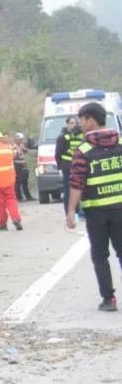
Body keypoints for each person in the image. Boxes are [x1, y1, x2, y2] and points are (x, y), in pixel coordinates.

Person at [66, 101, 122, 311]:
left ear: (90, 120)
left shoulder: (83, 150)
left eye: (81, 120)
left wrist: (71, 211)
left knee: (100, 255)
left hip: (96, 212)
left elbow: (77, 182)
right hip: (121, 209)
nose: (80, 124)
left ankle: (109, 299)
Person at [55, 116, 84, 217]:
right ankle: (69, 213)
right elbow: (58, 154)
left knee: (79, 189)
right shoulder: (63, 137)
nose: (73, 125)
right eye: (71, 123)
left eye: (75, 123)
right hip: (67, 167)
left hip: (79, 166)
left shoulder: (80, 136)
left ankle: (79, 211)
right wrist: (59, 167)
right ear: (67, 124)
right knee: (68, 191)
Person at [13, 132, 35, 201]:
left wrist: (23, 147)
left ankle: (28, 196)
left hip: (23, 165)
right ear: (16, 139)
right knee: (18, 182)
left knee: (25, 181)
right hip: (17, 166)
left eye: (22, 139)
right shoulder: (14, 147)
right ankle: (18, 197)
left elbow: (26, 151)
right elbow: (15, 156)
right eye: (20, 139)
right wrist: (18, 149)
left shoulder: (21, 146)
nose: (21, 141)